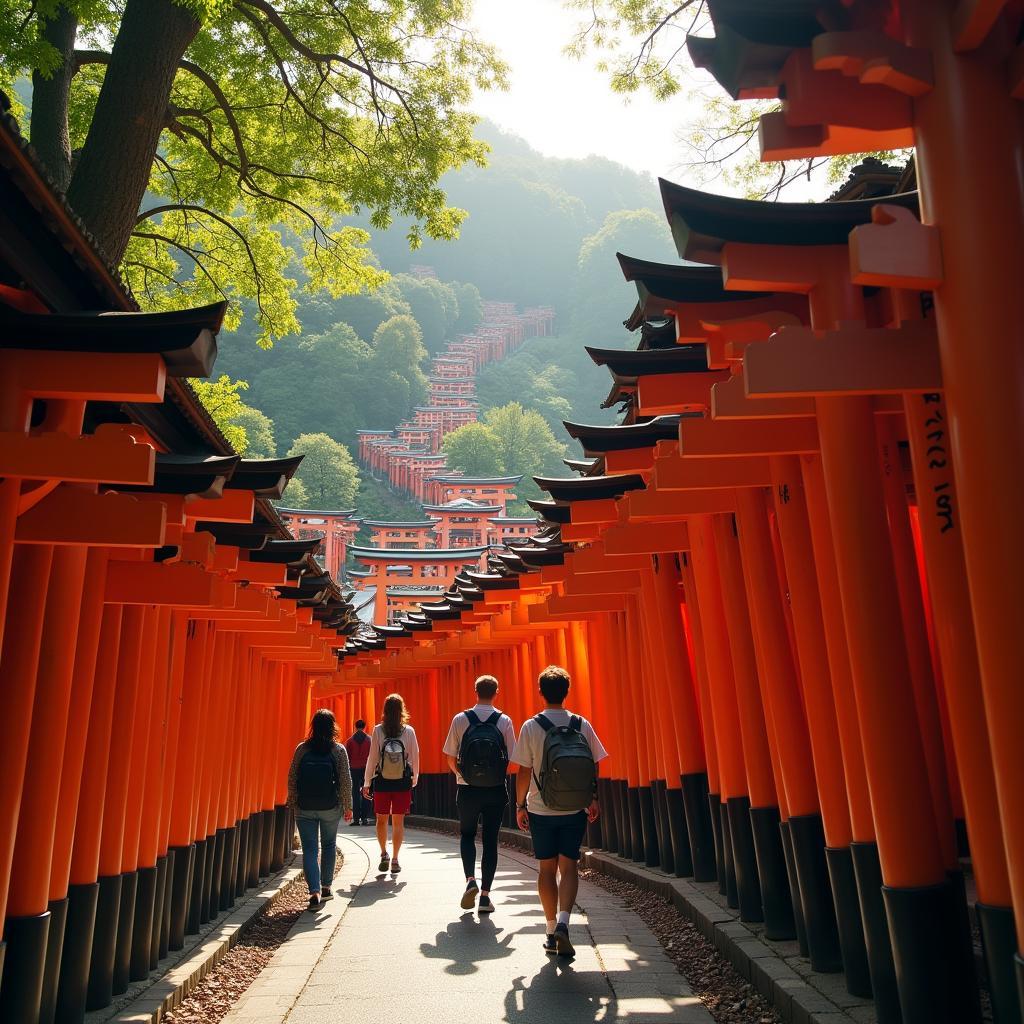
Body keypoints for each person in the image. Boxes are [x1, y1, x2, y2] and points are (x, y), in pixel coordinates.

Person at [512, 665, 607, 957]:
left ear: (541, 692)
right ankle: (566, 922)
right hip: (574, 807)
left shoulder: (531, 727)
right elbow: (594, 761)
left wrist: (519, 806)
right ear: (567, 692)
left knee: (546, 868)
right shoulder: (582, 724)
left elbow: (523, 771)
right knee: (569, 866)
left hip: (541, 808)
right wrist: (592, 797)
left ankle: (551, 929)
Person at [442, 674, 516, 914]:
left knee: (466, 835)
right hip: (495, 790)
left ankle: (470, 880)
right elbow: (513, 759)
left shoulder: (461, 719)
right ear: (497, 693)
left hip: (468, 790)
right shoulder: (504, 721)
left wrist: (462, 774)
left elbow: (450, 757)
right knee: (491, 841)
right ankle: (485, 897)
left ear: (475, 692)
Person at [287, 708, 353, 911]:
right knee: (329, 845)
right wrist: (348, 806)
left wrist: (293, 801)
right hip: (330, 806)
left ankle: (313, 891)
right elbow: (345, 781)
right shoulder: (338, 750)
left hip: (304, 807)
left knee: (309, 848)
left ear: (313, 727)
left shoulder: (302, 749)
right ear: (333, 727)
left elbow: (292, 777)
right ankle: (326, 887)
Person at [362, 693, 419, 875]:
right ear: (402, 710)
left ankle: (384, 853)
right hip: (402, 781)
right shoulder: (409, 731)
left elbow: (372, 758)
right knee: (398, 822)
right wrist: (414, 778)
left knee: (381, 819)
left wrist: (366, 782)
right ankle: (395, 859)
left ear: (385, 710)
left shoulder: (378, 730)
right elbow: (414, 756)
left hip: (383, 781)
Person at [345, 719, 371, 825]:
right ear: (364, 727)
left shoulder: (350, 740)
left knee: (355, 793)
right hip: (366, 769)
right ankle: (364, 818)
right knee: (366, 792)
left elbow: (347, 757)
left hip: (354, 769)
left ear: (355, 727)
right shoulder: (369, 740)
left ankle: (356, 819)